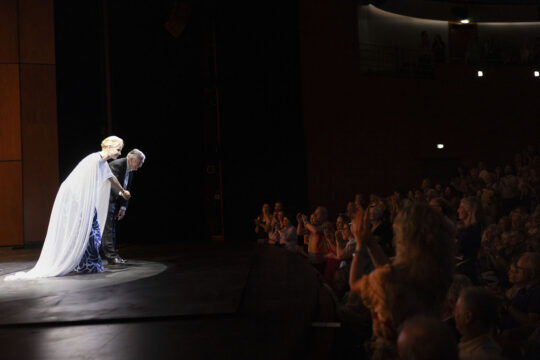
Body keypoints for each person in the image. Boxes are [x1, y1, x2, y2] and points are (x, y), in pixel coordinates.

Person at [5, 136, 130, 280]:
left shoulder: (101, 162)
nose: (119, 153)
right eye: (118, 149)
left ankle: (88, 264)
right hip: (79, 201)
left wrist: (122, 191)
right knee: (89, 232)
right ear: (109, 146)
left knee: (93, 232)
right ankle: (86, 264)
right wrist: (82, 205)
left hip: (85, 202)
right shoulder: (93, 160)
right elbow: (77, 183)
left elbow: (110, 177)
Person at [349, 203, 456, 359]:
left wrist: (359, 244)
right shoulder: (438, 273)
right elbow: (391, 271)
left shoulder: (387, 279)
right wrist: (371, 243)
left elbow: (355, 283)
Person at [101, 149, 145, 264]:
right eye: (139, 162)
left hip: (115, 200)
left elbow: (127, 189)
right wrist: (122, 193)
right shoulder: (117, 164)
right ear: (131, 159)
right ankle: (111, 256)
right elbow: (111, 183)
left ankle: (114, 254)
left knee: (113, 228)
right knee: (108, 229)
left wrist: (123, 208)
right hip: (106, 199)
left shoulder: (130, 170)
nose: (140, 166)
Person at [454, 287, 503, 360]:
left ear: (468, 317)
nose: (454, 313)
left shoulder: (476, 356)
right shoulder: (483, 345)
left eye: (457, 309)